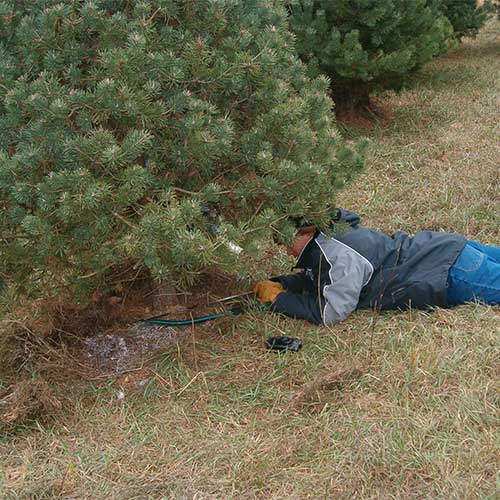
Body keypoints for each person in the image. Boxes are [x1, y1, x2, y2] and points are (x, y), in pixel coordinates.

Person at [254, 209, 500, 325]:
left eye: (285, 240)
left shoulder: (337, 253)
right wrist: (284, 283)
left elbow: (331, 311)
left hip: (450, 273)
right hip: (450, 249)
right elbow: (324, 278)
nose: (285, 249)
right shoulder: (334, 234)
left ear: (305, 231)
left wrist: (279, 301)